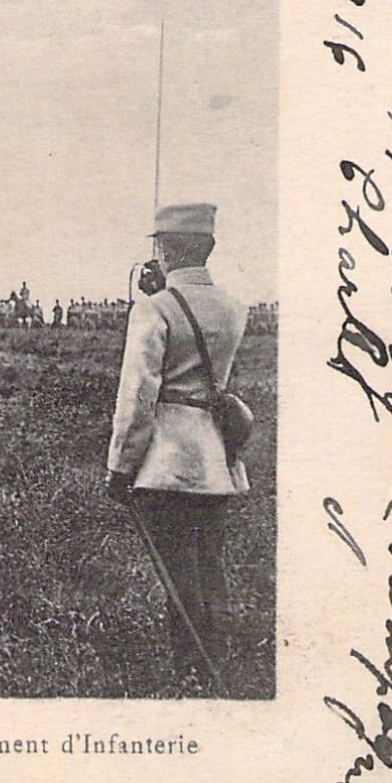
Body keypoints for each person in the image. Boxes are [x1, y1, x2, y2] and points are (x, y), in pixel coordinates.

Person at [105, 202, 249, 678]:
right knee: (209, 563)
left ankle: (193, 669)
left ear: (164, 248)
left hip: (166, 462)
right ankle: (219, 659)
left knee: (178, 575)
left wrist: (121, 467)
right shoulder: (234, 306)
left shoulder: (153, 309)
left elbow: (138, 395)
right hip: (217, 459)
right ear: (207, 248)